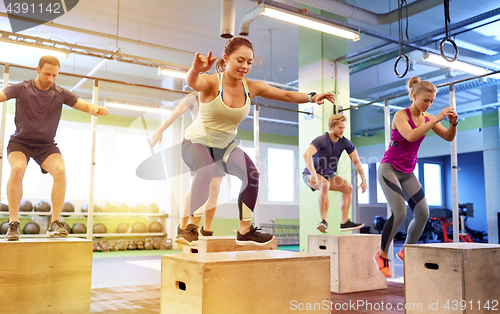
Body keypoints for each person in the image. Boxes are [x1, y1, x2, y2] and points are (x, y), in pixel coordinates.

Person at [177, 36, 335, 246]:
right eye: (240, 60)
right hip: (195, 142)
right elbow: (192, 82)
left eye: (249, 62)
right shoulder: (212, 82)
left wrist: (312, 97)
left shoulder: (251, 87)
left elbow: (286, 95)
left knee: (252, 174)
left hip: (225, 147)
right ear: (226, 58)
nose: (245, 66)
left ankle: (245, 230)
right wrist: (195, 69)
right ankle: (190, 229)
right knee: (206, 169)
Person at [0, 55, 109, 241]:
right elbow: (3, 94)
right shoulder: (22, 88)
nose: (50, 79)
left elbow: (83, 105)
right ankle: (13, 223)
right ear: (37, 70)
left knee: (60, 171)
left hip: (46, 145)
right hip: (21, 142)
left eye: (54, 75)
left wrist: (96, 109)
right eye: (47, 74)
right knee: (17, 169)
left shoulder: (59, 93)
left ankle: (55, 223)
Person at [374, 77, 458, 277]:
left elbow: (448, 137)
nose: (428, 105)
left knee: (423, 214)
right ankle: (382, 253)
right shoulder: (400, 115)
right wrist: (437, 118)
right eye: (425, 100)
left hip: (407, 172)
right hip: (389, 169)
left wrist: (453, 124)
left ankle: (407, 250)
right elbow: (410, 135)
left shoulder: (428, 118)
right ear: (413, 96)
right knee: (400, 211)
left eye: (431, 101)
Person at [151, 92, 223, 239]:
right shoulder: (193, 97)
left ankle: (206, 230)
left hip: (218, 145)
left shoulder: (221, 95)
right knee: (198, 186)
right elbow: (175, 113)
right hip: (198, 144)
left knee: (215, 189)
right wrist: (160, 130)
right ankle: (184, 227)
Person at [303, 114, 367, 233]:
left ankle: (345, 222)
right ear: (331, 127)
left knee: (348, 187)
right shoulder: (321, 140)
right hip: (311, 174)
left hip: (328, 175)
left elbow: (356, 161)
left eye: (343, 128)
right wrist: (312, 174)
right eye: (339, 128)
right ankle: (323, 221)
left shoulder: (344, 142)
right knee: (325, 185)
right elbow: (306, 155)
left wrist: (363, 179)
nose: (342, 130)